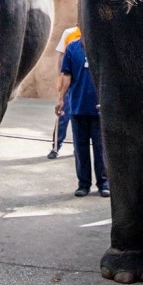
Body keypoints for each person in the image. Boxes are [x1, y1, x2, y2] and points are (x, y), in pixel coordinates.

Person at [57, 30, 108, 197]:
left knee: (101, 149)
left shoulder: (103, 46)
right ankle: (83, 184)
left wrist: (107, 99)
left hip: (100, 109)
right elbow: (66, 75)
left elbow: (109, 77)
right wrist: (61, 99)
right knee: (80, 149)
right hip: (77, 108)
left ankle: (104, 183)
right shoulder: (72, 48)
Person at [47, 27, 79, 159]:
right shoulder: (69, 33)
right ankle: (55, 147)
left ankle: (78, 149)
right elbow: (61, 55)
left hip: (83, 81)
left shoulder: (93, 30)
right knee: (62, 114)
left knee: (80, 116)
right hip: (68, 79)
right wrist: (60, 77)